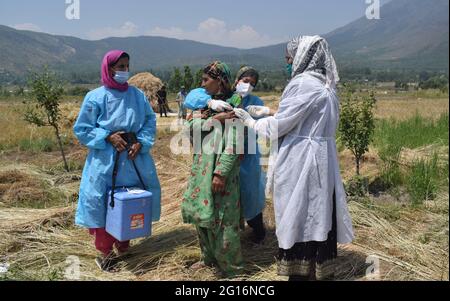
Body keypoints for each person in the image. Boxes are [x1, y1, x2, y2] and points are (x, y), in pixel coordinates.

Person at [234, 36, 354, 281]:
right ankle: (316, 270)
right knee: (318, 214)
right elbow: (304, 118)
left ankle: (299, 272)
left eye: (289, 58)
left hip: (302, 160)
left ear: (302, 58)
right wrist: (269, 111)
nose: (288, 63)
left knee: (299, 214)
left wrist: (251, 122)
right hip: (321, 159)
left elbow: (280, 126)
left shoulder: (302, 83)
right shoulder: (327, 84)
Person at [73, 50, 161, 272]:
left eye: (126, 66)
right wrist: (107, 136)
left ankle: (124, 245)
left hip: (133, 160)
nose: (124, 71)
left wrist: (141, 141)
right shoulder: (95, 97)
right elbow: (82, 129)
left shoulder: (137, 96)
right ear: (108, 68)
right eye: (120, 67)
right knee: (103, 202)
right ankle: (105, 253)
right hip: (106, 161)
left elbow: (150, 121)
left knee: (131, 201)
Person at [181, 61, 244, 278]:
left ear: (220, 80)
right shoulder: (204, 106)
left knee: (224, 220)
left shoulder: (236, 106)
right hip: (201, 169)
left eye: (206, 79)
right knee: (203, 216)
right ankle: (208, 259)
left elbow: (235, 143)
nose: (202, 84)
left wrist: (221, 173)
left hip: (219, 171)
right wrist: (215, 119)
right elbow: (189, 128)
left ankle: (232, 269)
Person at [233, 66, 267, 244]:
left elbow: (257, 127)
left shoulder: (256, 103)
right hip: (228, 156)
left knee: (250, 193)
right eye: (245, 81)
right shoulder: (227, 100)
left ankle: (259, 232)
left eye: (252, 84)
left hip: (248, 156)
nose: (248, 86)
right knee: (231, 195)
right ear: (237, 80)